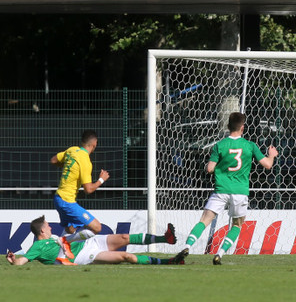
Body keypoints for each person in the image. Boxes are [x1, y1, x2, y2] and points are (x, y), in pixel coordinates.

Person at [174, 112, 278, 265]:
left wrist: (208, 165)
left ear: (228, 126)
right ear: (242, 127)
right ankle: (220, 254)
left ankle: (187, 246)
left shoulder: (220, 145)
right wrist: (272, 155)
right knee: (237, 225)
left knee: (204, 221)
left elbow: (209, 169)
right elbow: (268, 165)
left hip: (221, 190)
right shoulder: (250, 146)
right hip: (240, 192)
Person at [6, 215, 180, 266]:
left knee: (124, 238)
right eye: (48, 225)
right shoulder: (37, 246)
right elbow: (23, 260)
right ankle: (168, 261)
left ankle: (165, 238)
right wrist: (14, 261)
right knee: (126, 257)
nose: (51, 227)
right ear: (42, 230)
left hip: (91, 243)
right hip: (84, 256)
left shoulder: (51, 237)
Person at [50, 130, 109, 242]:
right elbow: (88, 189)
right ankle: (62, 242)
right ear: (94, 143)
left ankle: (60, 254)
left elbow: (53, 160)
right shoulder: (85, 160)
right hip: (67, 201)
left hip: (58, 199)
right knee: (97, 227)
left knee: (70, 230)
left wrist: (68, 166)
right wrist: (102, 179)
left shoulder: (72, 150)